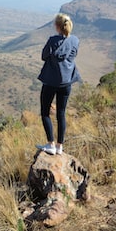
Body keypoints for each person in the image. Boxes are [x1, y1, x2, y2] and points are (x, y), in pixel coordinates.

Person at [36, 13, 81, 155]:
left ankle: (50, 144)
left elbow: (43, 56)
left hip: (50, 81)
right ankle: (59, 147)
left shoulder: (52, 40)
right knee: (61, 114)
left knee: (45, 112)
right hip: (67, 81)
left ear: (57, 26)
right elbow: (74, 55)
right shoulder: (75, 40)